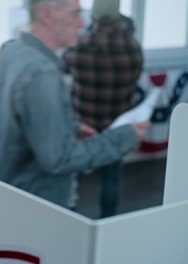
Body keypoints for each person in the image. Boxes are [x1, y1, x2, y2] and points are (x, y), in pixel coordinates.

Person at [0, 0, 149, 208]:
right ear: (46, 15)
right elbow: (59, 160)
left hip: (12, 190)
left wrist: (70, 128)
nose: (82, 24)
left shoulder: (10, 52)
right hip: (38, 202)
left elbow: (17, 118)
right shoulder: (42, 73)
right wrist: (124, 137)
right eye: (74, 14)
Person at [64, 0, 143, 217]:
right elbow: (135, 79)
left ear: (93, 17)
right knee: (111, 180)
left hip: (83, 127)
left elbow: (63, 63)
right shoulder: (133, 48)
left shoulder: (80, 45)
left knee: (73, 180)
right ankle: (108, 223)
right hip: (116, 127)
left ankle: (68, 219)